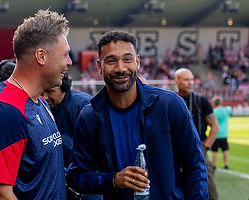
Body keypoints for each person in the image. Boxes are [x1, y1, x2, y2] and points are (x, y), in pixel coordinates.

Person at [67, 30, 208, 200]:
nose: (120, 68)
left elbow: (195, 165)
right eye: (111, 61)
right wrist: (112, 179)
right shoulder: (89, 117)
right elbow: (76, 177)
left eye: (127, 59)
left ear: (138, 62)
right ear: (99, 66)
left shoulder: (169, 105)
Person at [0, 8, 72, 200]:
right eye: (65, 55)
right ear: (41, 56)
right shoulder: (7, 110)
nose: (69, 62)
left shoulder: (39, 102)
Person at [42, 74, 103, 200]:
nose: (45, 97)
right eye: (42, 92)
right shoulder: (43, 106)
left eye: (50, 92)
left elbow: (96, 152)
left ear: (64, 87)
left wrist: (59, 140)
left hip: (87, 183)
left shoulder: (85, 105)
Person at [175, 68, 219, 200]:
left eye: (192, 79)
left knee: (209, 188)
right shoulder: (170, 100)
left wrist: (205, 148)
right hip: (176, 152)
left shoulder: (201, 101)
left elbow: (215, 127)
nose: (190, 83)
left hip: (199, 149)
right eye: (186, 79)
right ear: (176, 81)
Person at [211, 96, 232, 170]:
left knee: (215, 150)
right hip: (224, 133)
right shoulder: (225, 110)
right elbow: (230, 108)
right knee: (225, 149)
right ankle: (226, 164)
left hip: (215, 133)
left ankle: (213, 164)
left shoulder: (213, 112)